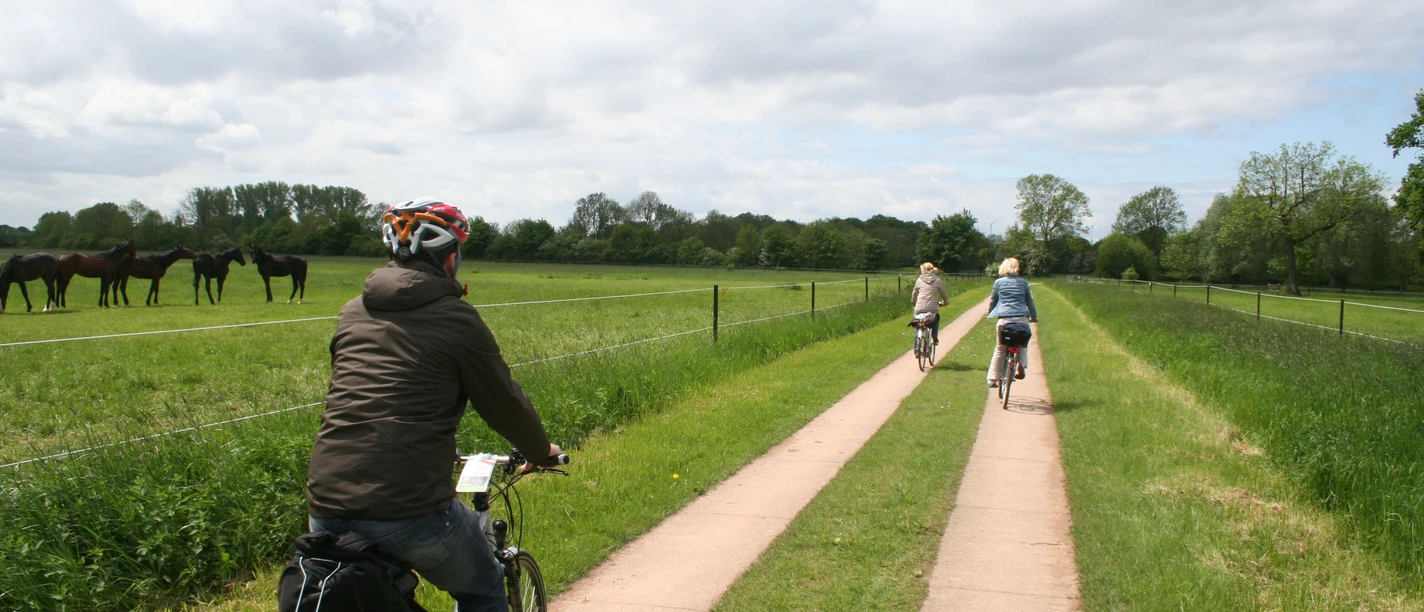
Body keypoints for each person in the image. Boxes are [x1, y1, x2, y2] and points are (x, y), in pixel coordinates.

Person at [305, 197, 561, 612]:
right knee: (482, 586)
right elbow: (503, 403)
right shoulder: (456, 318)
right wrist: (539, 451)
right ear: (451, 258)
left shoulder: (351, 313)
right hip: (408, 509)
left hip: (326, 505)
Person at [986, 257, 1038, 387]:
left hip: (1004, 319)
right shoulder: (1023, 283)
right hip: (1021, 318)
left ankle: (993, 379)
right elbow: (1029, 302)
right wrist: (1034, 317)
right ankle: (1021, 364)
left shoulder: (998, 282)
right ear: (1017, 268)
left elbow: (993, 300)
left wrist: (990, 312)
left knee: (1000, 348)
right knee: (1023, 344)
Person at [911, 262, 950, 344]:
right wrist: (945, 302)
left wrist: (914, 302)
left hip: (919, 307)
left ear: (923, 270)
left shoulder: (919, 280)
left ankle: (918, 337)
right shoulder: (937, 280)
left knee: (918, 320)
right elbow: (944, 293)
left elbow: (914, 293)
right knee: (936, 318)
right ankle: (934, 337)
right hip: (932, 308)